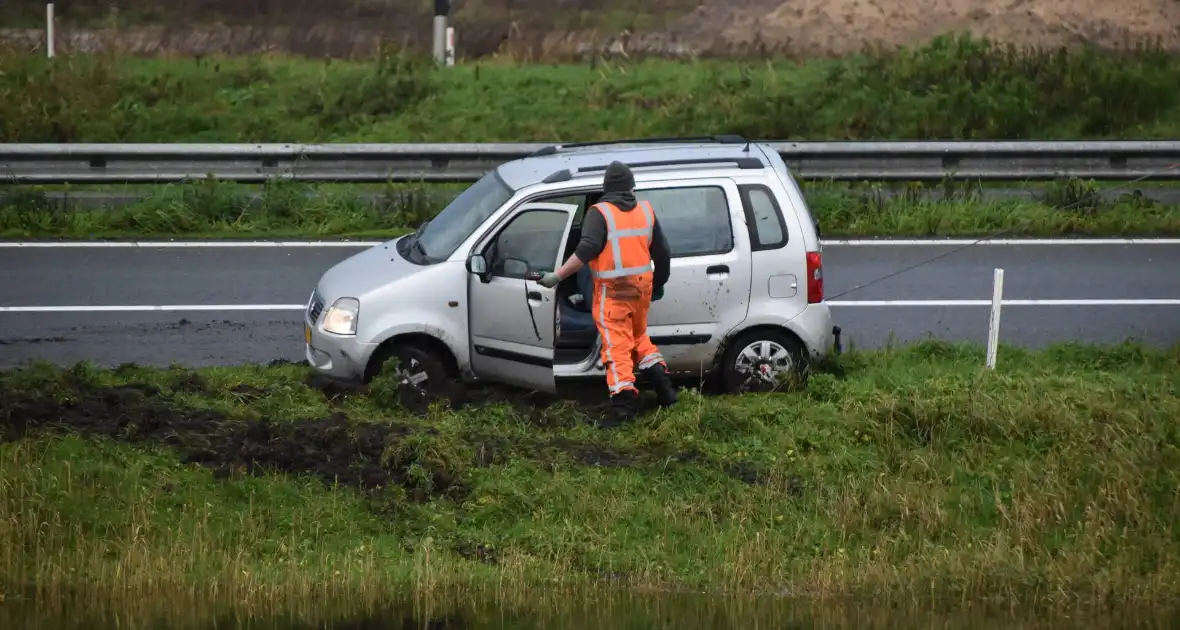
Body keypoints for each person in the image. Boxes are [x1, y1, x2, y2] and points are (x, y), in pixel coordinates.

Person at [537, 161, 677, 421]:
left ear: (606, 188)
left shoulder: (599, 212)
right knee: (638, 336)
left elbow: (586, 249)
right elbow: (663, 253)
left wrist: (557, 276)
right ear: (630, 186)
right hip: (641, 288)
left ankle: (623, 404)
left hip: (614, 292)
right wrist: (659, 284)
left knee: (616, 345)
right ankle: (665, 389)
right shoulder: (646, 211)